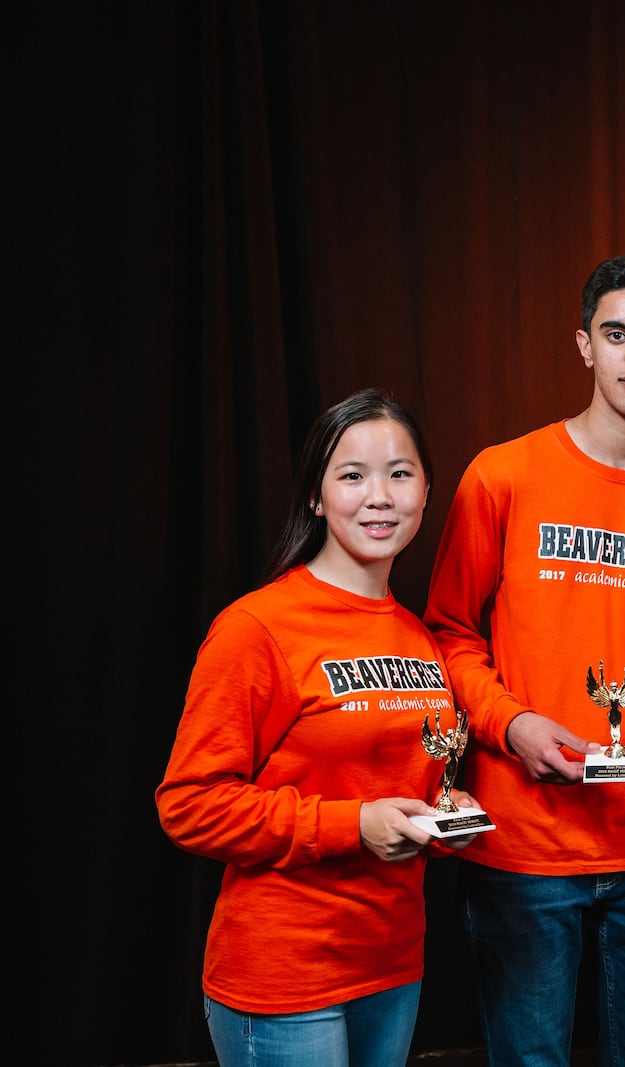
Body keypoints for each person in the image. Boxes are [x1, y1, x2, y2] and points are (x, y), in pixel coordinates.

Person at [424, 254, 625, 1066]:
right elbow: (449, 633)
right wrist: (511, 723)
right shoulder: (503, 476)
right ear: (585, 346)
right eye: (618, 334)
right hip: (524, 846)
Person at [157, 388, 482, 1067]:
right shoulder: (257, 628)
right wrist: (350, 824)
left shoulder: (420, 638)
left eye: (399, 472)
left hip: (391, 964)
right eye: (352, 474)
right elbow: (188, 805)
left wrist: (448, 821)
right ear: (315, 495)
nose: (380, 496)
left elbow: (410, 785)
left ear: (427, 490)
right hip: (286, 974)